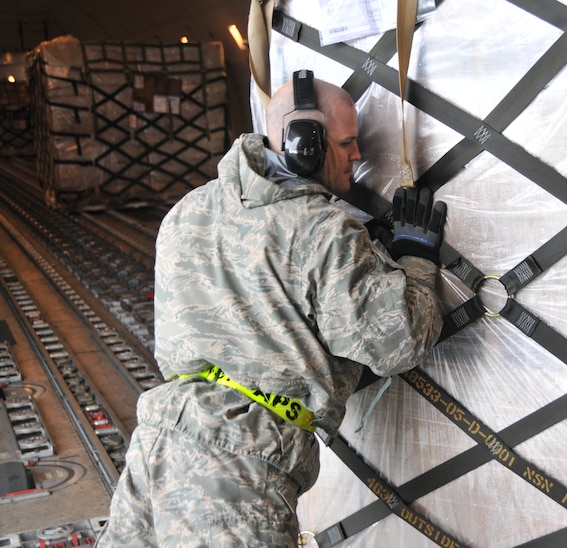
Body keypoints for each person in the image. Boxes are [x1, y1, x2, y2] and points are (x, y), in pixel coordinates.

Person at [96, 70, 447, 547]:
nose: (358, 155)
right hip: (234, 480)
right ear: (307, 145)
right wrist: (416, 262)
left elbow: (266, 298)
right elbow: (398, 343)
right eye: (346, 143)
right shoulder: (322, 231)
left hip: (157, 446)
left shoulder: (188, 208)